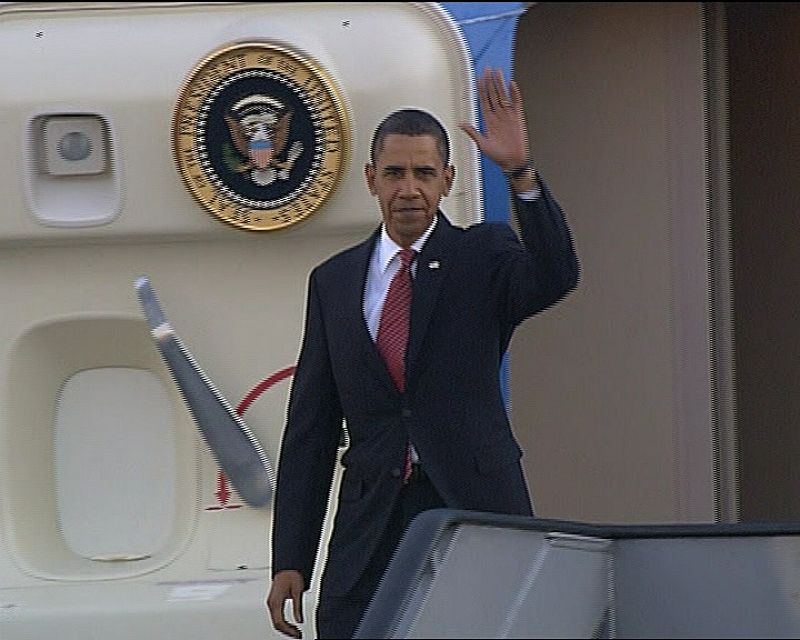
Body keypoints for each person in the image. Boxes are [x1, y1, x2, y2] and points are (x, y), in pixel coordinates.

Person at [267, 67, 579, 639]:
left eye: (423, 173)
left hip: (472, 508)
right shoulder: (334, 281)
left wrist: (520, 172)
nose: (408, 188)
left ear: (446, 180)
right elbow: (310, 429)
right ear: (371, 179)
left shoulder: (482, 257)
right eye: (394, 173)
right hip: (372, 521)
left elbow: (556, 275)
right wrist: (291, 557)